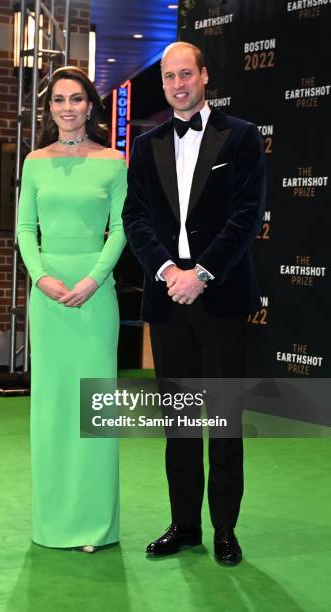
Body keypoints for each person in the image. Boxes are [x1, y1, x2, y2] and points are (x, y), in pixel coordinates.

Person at [122, 42, 266, 565]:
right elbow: (135, 218)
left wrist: (201, 274)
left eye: (187, 74)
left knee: (224, 419)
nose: (178, 84)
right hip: (167, 297)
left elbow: (247, 215)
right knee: (179, 421)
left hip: (220, 293)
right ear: (161, 83)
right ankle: (184, 525)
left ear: (205, 76)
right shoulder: (145, 144)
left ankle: (224, 528)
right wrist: (167, 273)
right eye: (168, 77)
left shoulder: (242, 136)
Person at [17, 66, 126, 552]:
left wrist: (93, 278)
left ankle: (94, 524)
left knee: (94, 407)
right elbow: (24, 229)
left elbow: (122, 229)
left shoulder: (115, 161)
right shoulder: (34, 161)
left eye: (76, 99)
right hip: (48, 296)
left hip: (94, 294)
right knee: (53, 407)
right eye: (58, 100)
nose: (67, 108)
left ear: (90, 106)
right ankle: (53, 522)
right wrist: (41, 278)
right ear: (50, 108)